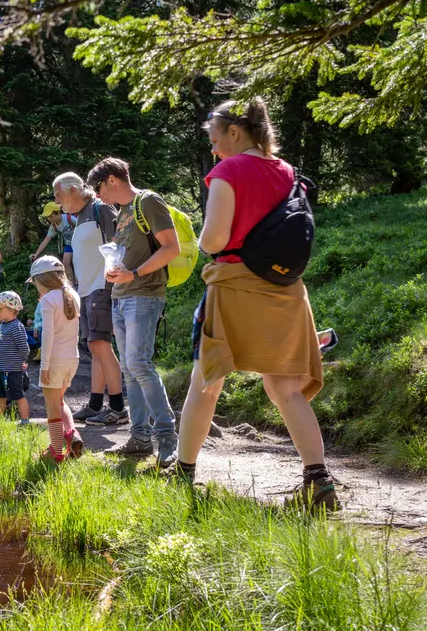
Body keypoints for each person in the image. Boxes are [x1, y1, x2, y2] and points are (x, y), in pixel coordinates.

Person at [172, 97, 337, 510]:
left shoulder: (228, 170)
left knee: (207, 380)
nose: (212, 148)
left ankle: (183, 472)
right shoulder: (286, 171)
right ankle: (319, 481)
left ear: (234, 131)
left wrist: (197, 236)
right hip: (285, 289)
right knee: (284, 387)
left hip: (235, 286)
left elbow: (213, 241)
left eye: (214, 139)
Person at [89, 157, 180, 467]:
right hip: (121, 296)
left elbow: (171, 248)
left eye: (98, 186)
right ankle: (140, 438)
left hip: (144, 294)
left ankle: (166, 436)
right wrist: (116, 273)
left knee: (139, 363)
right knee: (129, 369)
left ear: (112, 180)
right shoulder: (123, 213)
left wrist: (135, 274)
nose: (97, 194)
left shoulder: (148, 201)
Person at [51, 172, 128, 428]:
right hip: (86, 289)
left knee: (101, 345)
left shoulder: (101, 208)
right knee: (95, 346)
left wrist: (110, 285)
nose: (56, 201)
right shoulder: (80, 216)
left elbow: (118, 245)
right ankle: (96, 403)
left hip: (101, 288)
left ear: (73, 190)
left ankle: (118, 408)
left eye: (58, 195)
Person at [29, 256, 83, 463]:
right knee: (59, 400)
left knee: (51, 405)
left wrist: (44, 365)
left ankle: (56, 452)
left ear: (41, 280)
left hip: (55, 359)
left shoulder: (48, 300)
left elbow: (48, 335)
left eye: (35, 283)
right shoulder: (73, 295)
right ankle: (71, 434)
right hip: (72, 358)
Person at [0, 291, 31, 425]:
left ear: (12, 309)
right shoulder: (2, 326)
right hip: (0, 369)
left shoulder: (16, 327)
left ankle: (25, 422)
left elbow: (24, 348)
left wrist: (23, 360)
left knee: (18, 396)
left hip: (12, 370)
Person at [30, 202, 77, 282]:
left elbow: (83, 225)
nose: (49, 219)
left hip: (79, 243)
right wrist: (36, 254)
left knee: (77, 262)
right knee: (65, 262)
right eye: (48, 217)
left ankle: (79, 281)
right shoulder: (54, 225)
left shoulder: (69, 219)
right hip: (69, 244)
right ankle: (72, 285)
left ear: (58, 213)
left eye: (51, 216)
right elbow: (46, 240)